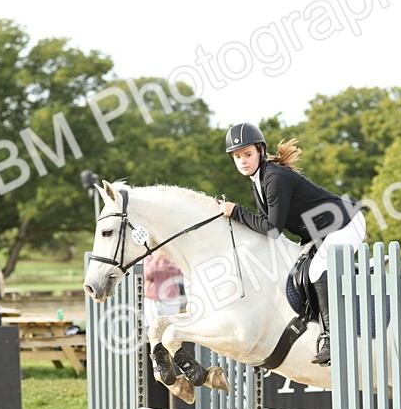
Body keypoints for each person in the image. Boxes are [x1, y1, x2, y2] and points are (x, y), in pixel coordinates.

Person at [217, 122, 365, 366]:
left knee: (317, 270)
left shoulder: (274, 178)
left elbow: (272, 229)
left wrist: (235, 211)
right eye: (237, 157)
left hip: (345, 224)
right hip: (321, 232)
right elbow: (264, 225)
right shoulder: (259, 179)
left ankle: (332, 339)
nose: (242, 161)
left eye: (247, 154)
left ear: (260, 152)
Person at [143, 251, 185, 325]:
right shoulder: (148, 258)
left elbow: (179, 273)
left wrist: (168, 261)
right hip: (152, 300)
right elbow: (146, 275)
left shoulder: (173, 258)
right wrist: (155, 260)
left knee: (170, 326)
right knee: (151, 326)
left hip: (171, 300)